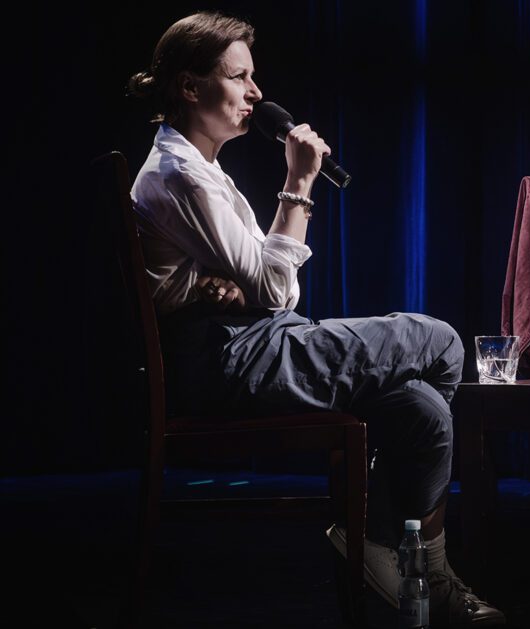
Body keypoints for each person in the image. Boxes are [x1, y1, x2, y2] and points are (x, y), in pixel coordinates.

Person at [127, 12, 503, 626]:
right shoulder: (180, 174)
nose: (256, 93)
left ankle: (382, 540)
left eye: (254, 77)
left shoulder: (204, 171)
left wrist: (238, 287)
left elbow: (274, 287)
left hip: (252, 341)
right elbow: (279, 288)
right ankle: (411, 560)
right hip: (230, 360)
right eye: (239, 77)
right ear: (190, 87)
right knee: (438, 340)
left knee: (425, 414)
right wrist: (299, 180)